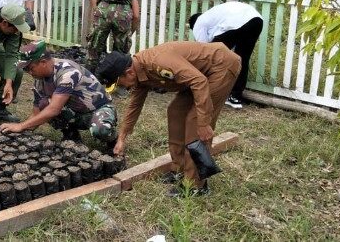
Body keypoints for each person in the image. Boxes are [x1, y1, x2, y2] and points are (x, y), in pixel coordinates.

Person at [95, 42, 240, 197]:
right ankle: (180, 169)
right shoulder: (139, 73)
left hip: (220, 66)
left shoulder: (157, 63)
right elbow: (134, 106)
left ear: (129, 72)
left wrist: (204, 123)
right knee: (175, 111)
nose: (122, 87)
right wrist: (122, 137)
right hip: (198, 75)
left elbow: (199, 82)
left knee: (194, 120)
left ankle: (196, 185)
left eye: (119, 83)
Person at [0, 41, 117, 148]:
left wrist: (21, 126)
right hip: (76, 111)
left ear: (43, 62)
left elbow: (54, 110)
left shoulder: (67, 73)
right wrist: (19, 129)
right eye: (26, 70)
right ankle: (71, 135)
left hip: (98, 109)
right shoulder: (39, 80)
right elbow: (36, 114)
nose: (29, 73)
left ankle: (113, 140)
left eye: (31, 68)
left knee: (100, 130)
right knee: (44, 104)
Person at [189, 1, 263, 109]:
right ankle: (235, 97)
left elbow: (204, 50)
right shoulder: (214, 16)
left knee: (212, 57)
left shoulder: (198, 23)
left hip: (237, 22)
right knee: (242, 59)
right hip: (256, 20)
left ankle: (207, 93)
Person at [87, 0, 140, 71]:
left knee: (95, 50)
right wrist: (130, 32)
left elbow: (94, 6)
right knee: (121, 53)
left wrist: (96, 25)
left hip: (103, 11)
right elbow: (136, 15)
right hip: (123, 13)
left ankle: (92, 78)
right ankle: (119, 81)